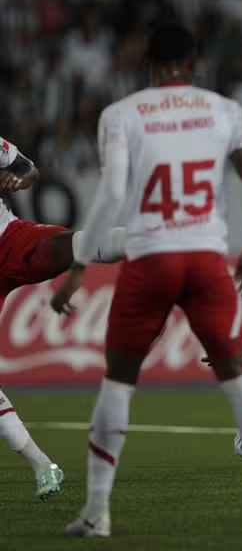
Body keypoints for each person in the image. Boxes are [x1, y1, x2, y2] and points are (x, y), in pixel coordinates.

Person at [50, 23, 242, 537]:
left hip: (150, 259)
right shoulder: (226, 111)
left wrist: (77, 267)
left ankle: (97, 512)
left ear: (148, 64)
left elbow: (112, 194)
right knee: (241, 384)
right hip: (205, 260)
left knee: (118, 384)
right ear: (195, 62)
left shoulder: (122, 114)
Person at [0, 135, 126, 501]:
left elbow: (28, 169)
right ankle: (42, 465)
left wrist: (18, 179)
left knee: (70, 245)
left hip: (9, 239)